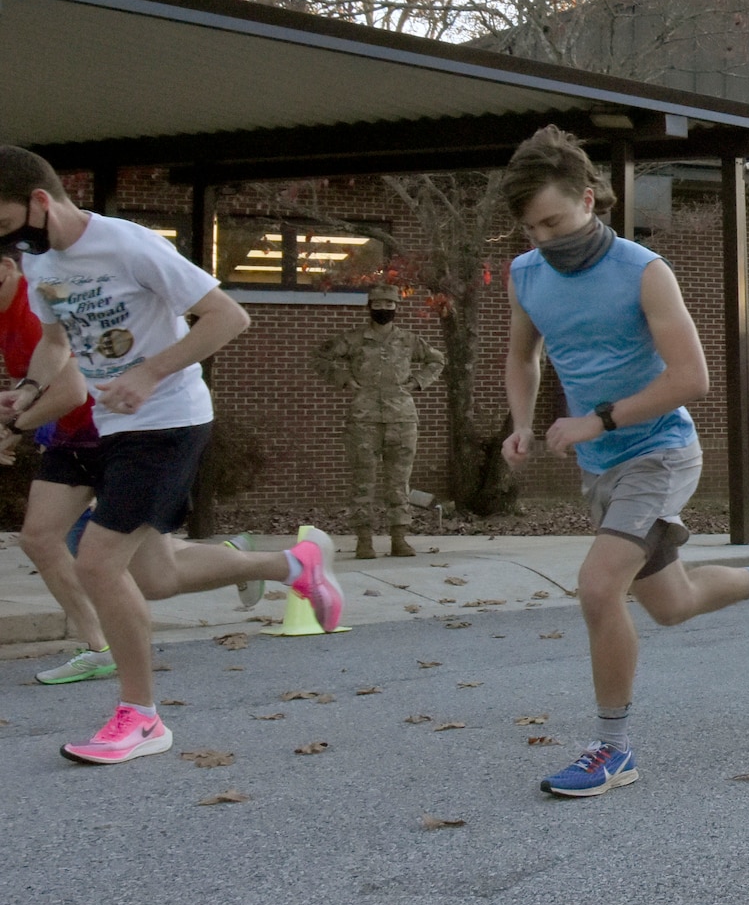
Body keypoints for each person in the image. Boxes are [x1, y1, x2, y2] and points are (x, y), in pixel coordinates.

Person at [499, 126, 749, 798]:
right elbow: (522, 355)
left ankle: (612, 750)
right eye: (532, 230)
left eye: (554, 222)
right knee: (670, 605)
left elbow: (692, 378)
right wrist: (523, 423)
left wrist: (599, 417)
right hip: (600, 464)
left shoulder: (643, 271)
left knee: (596, 589)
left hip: (660, 450)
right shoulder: (527, 275)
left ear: (590, 199)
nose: (545, 241)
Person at [0, 147, 342, 765]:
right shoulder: (39, 259)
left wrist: (150, 373)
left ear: (40, 202)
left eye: (3, 222)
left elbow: (226, 316)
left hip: (165, 421)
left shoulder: (130, 245)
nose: (6, 238)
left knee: (99, 564)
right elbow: (56, 341)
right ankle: (294, 565)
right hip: (102, 425)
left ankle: (141, 716)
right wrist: (27, 391)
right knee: (143, 574)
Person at [0, 246, 112, 685]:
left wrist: (16, 428)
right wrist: (15, 419)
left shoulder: (34, 306)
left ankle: (285, 563)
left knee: (155, 573)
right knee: (41, 539)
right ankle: (99, 647)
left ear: (6, 268)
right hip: (71, 436)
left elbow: (70, 391)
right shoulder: (7, 309)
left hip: (112, 431)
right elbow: (29, 383)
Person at [311, 282, 445, 559]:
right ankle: (364, 540)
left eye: (389, 305)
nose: (384, 309)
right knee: (363, 481)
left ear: (397, 307)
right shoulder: (353, 339)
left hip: (402, 418)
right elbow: (321, 356)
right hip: (364, 419)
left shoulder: (408, 340)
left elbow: (437, 360)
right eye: (379, 305)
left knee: (399, 481)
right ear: (369, 307)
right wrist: (343, 379)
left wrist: (419, 382)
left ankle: (399, 538)